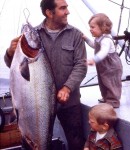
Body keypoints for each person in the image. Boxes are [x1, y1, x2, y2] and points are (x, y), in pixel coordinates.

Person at [4, 0, 87, 149]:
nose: (68, 11)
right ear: (49, 13)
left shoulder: (75, 35)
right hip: (37, 103)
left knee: (76, 142)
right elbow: (14, 66)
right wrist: (10, 52)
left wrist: (67, 88)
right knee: (31, 142)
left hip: (69, 101)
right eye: (63, 8)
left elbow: (81, 65)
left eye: (67, 7)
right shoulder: (33, 35)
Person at [83, 13, 123, 108]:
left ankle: (113, 101)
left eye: (93, 27)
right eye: (90, 27)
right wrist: (86, 39)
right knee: (103, 81)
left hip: (111, 66)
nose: (90, 29)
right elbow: (94, 45)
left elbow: (103, 52)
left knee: (111, 82)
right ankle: (106, 97)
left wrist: (94, 59)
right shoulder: (98, 39)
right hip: (104, 66)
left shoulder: (106, 40)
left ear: (103, 28)